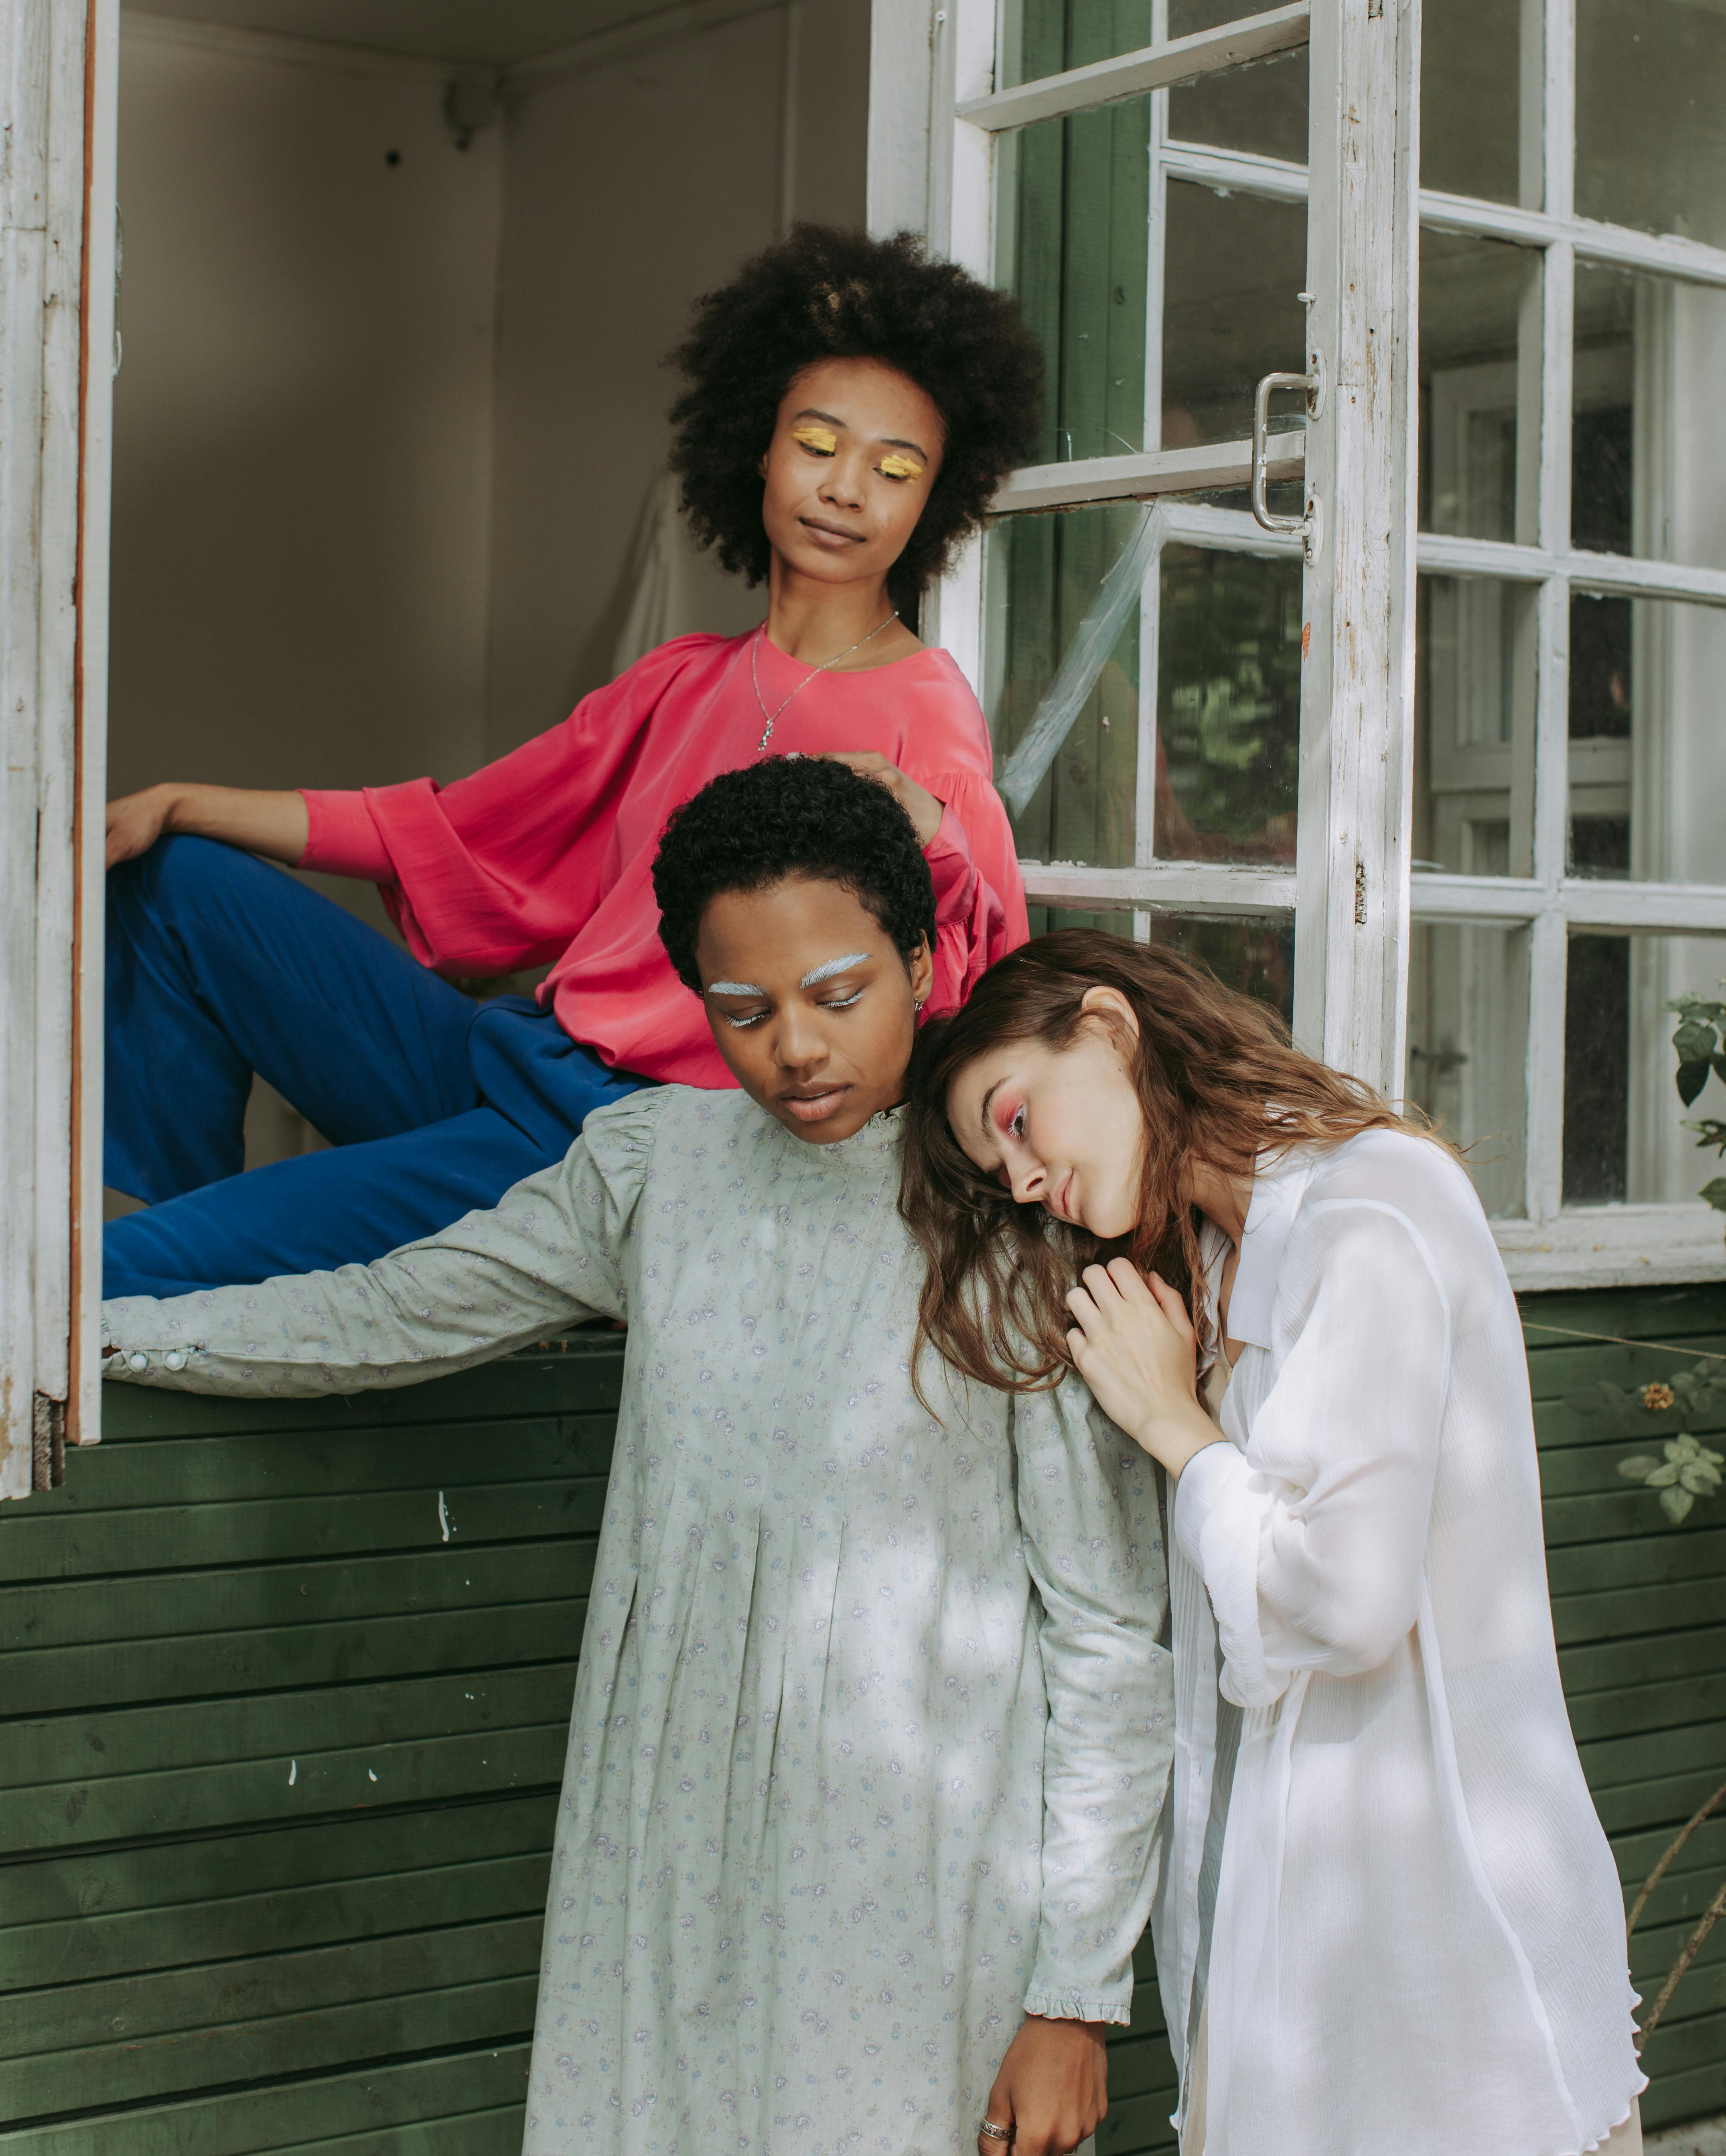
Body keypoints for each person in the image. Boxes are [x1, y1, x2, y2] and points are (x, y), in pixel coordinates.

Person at [102, 761, 1172, 2156]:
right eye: (743, 1009)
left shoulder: (1016, 1214)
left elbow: (1107, 1633)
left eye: (839, 994)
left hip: (917, 1892)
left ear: (920, 963)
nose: (794, 1048)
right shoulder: (653, 1166)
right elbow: (395, 1303)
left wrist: (1074, 2001)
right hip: (665, 1848)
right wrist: (97, 1338)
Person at [103, 225, 1038, 1300]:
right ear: (759, 450)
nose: (847, 490)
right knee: (176, 884)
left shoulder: (925, 712)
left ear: (933, 503)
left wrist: (939, 837)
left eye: (896, 468)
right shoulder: (682, 681)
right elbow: (452, 834)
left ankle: (180, 1256)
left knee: (114, 1271)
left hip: (614, 1141)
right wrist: (178, 802)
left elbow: (983, 976)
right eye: (819, 446)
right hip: (510, 1061)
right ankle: (191, 1211)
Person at [903, 931, 1646, 2156]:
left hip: (1453, 1962)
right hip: (1296, 1982)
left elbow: (1348, 1602)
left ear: (1108, 1026)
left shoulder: (1372, 1206)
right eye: (1003, 1172)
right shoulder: (1204, 1265)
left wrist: (1178, 1431)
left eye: (1019, 1120)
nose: (1027, 1182)